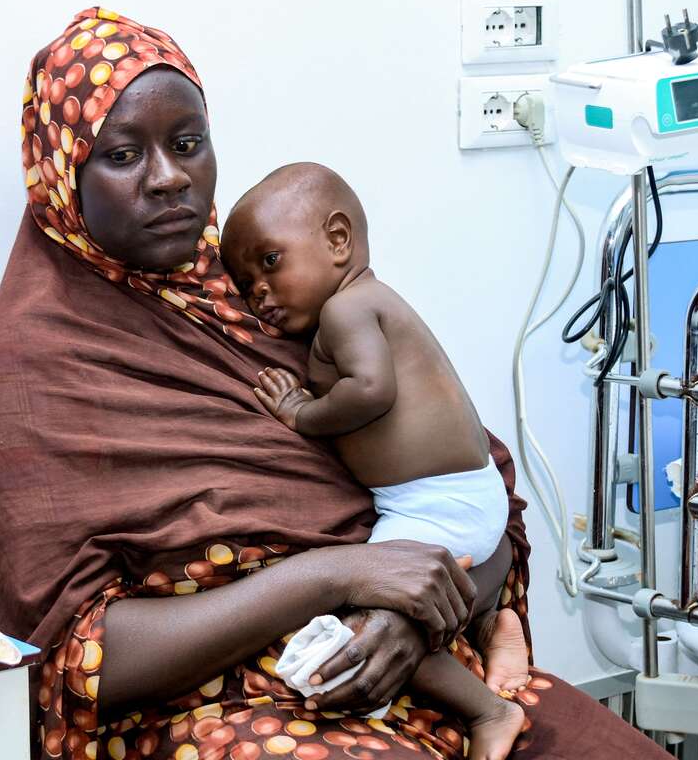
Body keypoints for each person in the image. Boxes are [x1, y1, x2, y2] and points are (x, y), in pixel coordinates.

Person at [0, 6, 672, 760]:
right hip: (212, 713)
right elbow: (65, 655)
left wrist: (410, 620)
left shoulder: (276, 298)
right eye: (123, 156)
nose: (169, 179)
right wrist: (334, 577)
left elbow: (476, 495)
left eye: (187, 144)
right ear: (63, 175)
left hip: (424, 676)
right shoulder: (25, 377)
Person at [219, 163, 527, 759]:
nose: (258, 290)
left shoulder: (347, 310)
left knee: (369, 631)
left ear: (337, 240)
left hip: (433, 500)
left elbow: (371, 391)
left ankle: (490, 711)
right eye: (245, 282)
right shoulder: (369, 303)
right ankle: (490, 622)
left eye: (270, 262)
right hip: (463, 490)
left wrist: (301, 413)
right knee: (422, 598)